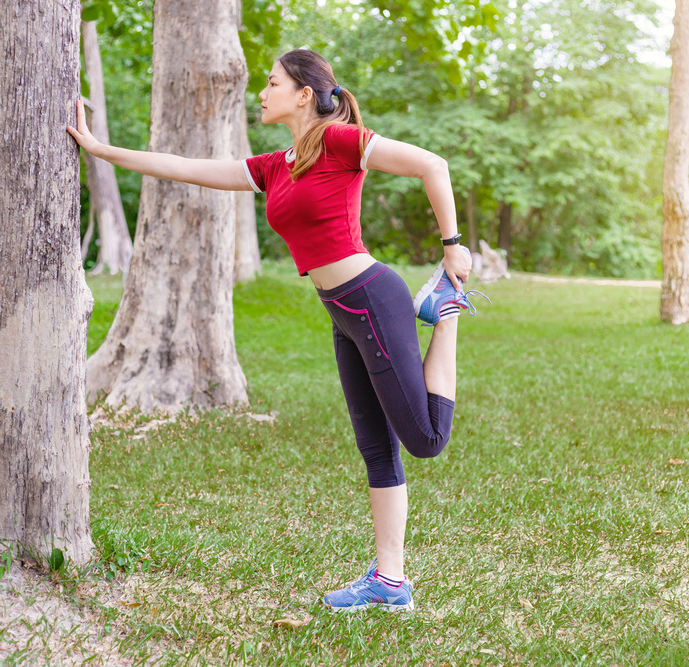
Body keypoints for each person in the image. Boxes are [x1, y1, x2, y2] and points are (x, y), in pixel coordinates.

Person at [67, 48, 489, 613]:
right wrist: (100, 150)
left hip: (371, 297)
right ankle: (390, 583)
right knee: (375, 448)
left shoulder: (342, 141)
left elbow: (433, 165)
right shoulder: (276, 164)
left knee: (426, 440)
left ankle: (446, 309)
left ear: (304, 94)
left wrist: (452, 246)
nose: (260, 93)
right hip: (342, 309)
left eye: (271, 83)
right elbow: (187, 167)